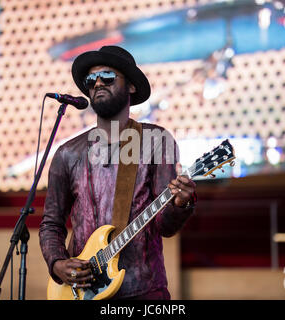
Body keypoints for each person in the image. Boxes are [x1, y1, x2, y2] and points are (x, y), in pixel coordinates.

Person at [39, 46, 197, 300]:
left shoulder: (156, 141)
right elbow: (51, 223)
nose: (98, 82)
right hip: (83, 290)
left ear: (131, 87)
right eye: (91, 80)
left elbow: (165, 227)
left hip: (144, 290)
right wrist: (57, 263)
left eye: (108, 77)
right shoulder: (68, 153)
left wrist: (180, 203)